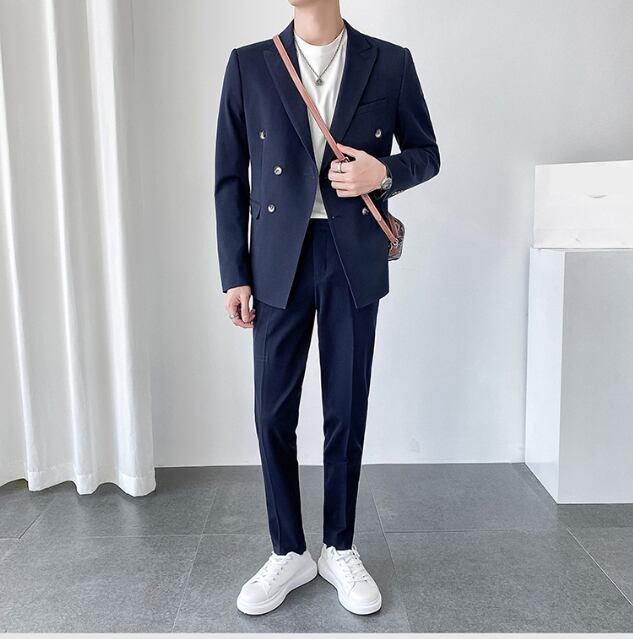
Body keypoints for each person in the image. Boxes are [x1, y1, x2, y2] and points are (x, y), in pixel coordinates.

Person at [214, 0, 440, 616]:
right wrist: (235, 273)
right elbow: (230, 177)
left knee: (345, 408)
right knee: (272, 412)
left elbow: (427, 153)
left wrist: (381, 173)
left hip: (352, 257)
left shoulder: (389, 62)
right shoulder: (250, 64)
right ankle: (289, 550)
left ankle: (340, 546)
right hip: (275, 262)